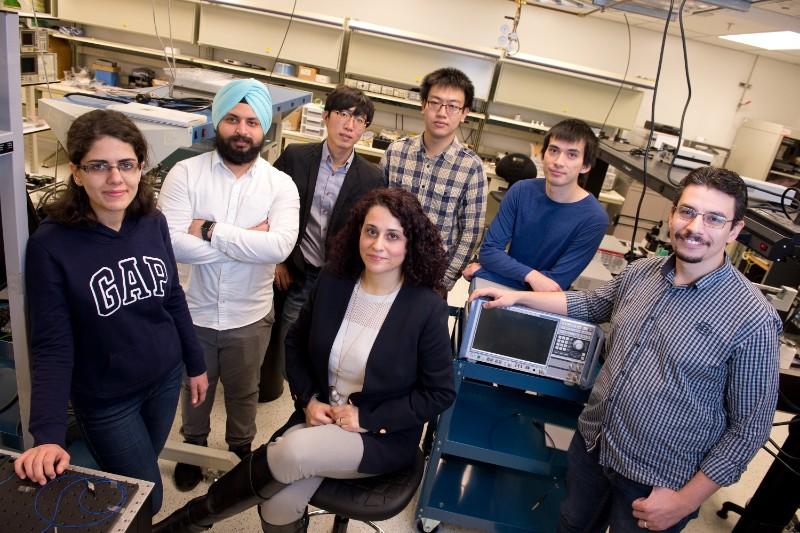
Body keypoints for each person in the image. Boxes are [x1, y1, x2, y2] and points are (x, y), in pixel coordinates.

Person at [471, 167, 781, 532]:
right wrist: (519, 297)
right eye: (687, 211)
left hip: (658, 481)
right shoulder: (643, 272)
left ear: (735, 230)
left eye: (714, 219)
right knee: (571, 524)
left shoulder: (752, 318)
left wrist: (685, 501)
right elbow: (590, 304)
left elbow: (750, 428)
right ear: (672, 214)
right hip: (594, 447)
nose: (695, 227)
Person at [153, 187, 456, 533]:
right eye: (371, 231)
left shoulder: (426, 308)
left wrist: (366, 416)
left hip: (379, 435)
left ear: (410, 243)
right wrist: (309, 400)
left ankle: (188, 522)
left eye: (393, 236)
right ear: (359, 230)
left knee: (293, 451)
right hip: (319, 417)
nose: (378, 245)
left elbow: (439, 394)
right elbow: (294, 344)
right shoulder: (335, 281)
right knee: (278, 505)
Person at [16, 109, 209, 515]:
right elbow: (52, 345)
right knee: (147, 498)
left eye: (126, 164)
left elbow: (172, 296)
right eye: (99, 166)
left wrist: (195, 362)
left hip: (164, 378)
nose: (115, 178)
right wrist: (47, 434)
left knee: (140, 471)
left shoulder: (151, 222)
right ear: (77, 171)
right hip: (107, 400)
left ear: (141, 167)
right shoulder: (51, 246)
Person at [158, 78, 300, 490]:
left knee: (244, 391)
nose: (242, 129)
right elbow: (171, 243)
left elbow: (279, 246)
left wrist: (210, 229)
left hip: (249, 314)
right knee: (194, 387)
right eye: (233, 119)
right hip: (193, 309)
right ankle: (194, 446)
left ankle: (240, 449)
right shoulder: (185, 173)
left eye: (252, 122)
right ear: (218, 121)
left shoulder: (280, 185)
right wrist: (246, 240)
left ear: (264, 129)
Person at [259, 85, 383, 402]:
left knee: (321, 345)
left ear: (365, 128)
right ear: (326, 116)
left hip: (333, 276)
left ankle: (310, 403)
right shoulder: (297, 157)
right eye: (342, 114)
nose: (349, 124)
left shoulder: (371, 178)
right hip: (292, 268)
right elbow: (266, 207)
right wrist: (277, 260)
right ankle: (289, 396)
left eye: (359, 119)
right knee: (280, 337)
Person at [463, 119, 609, 291]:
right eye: (554, 150)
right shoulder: (521, 191)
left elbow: (554, 285)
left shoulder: (594, 218)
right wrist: (533, 277)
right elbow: (489, 253)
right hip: (500, 292)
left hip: (541, 306)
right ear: (543, 154)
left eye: (571, 155)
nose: (559, 161)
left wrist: (486, 273)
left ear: (586, 166)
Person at [381, 67, 487, 293]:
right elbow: (375, 211)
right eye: (435, 103)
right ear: (423, 105)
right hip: (383, 271)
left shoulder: (471, 168)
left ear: (464, 113)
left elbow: (470, 234)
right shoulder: (395, 152)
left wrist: (442, 282)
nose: (442, 112)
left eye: (452, 106)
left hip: (431, 282)